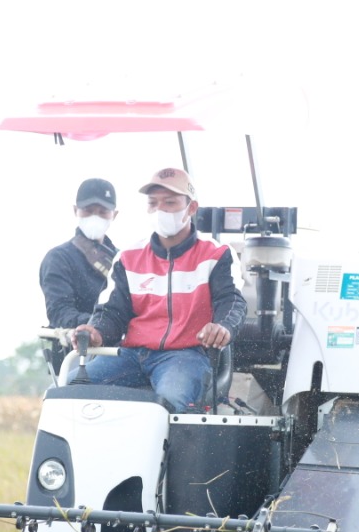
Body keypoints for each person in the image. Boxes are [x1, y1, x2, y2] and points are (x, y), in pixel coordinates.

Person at [72, 167, 247, 412]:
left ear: (192, 208)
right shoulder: (128, 258)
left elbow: (231, 302)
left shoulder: (216, 255)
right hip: (131, 355)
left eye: (170, 203)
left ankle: (172, 452)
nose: (160, 210)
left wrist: (222, 326)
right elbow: (112, 313)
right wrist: (96, 331)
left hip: (186, 356)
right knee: (70, 389)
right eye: (153, 203)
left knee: (170, 401)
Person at [38, 178, 120, 373]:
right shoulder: (58, 258)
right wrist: (101, 327)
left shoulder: (123, 259)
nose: (95, 217)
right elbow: (60, 312)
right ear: (75, 211)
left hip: (122, 350)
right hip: (77, 350)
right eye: (88, 210)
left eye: (102, 212)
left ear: (114, 215)